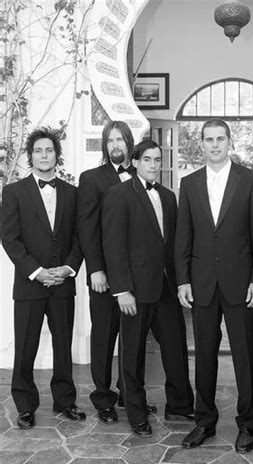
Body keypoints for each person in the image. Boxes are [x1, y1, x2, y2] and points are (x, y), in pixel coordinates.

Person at [175, 118, 253, 453]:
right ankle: (205, 421)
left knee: (245, 355)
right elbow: (182, 237)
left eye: (220, 139)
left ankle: (248, 424)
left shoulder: (251, 181)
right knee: (203, 355)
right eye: (208, 139)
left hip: (241, 284)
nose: (214, 144)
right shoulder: (188, 184)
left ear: (230, 141)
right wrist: (183, 280)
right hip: (201, 284)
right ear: (200, 143)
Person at [101, 140, 194, 437]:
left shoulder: (168, 196)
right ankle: (136, 412)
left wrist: (182, 281)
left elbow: (175, 245)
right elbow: (113, 246)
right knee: (132, 354)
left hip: (166, 287)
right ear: (136, 162)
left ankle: (179, 404)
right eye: (148, 160)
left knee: (176, 347)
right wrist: (121, 290)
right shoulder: (118, 195)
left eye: (158, 159)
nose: (154, 165)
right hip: (134, 291)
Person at [2, 127, 85, 429]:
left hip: (62, 283)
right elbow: (10, 239)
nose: (44, 155)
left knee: (63, 345)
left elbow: (79, 237)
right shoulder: (13, 192)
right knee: (26, 346)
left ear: (56, 155)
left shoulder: (72, 193)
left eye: (49, 150)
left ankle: (65, 401)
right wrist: (37, 272)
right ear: (31, 156)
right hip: (29, 284)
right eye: (38, 150)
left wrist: (66, 268)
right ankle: (25, 405)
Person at [77, 121, 157, 423]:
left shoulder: (142, 180)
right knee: (104, 337)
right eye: (109, 141)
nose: (115, 146)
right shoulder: (91, 179)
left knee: (132, 340)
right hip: (104, 278)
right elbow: (87, 229)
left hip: (134, 277)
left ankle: (130, 393)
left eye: (120, 140)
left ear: (129, 143)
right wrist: (96, 270)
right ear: (104, 145)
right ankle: (103, 398)